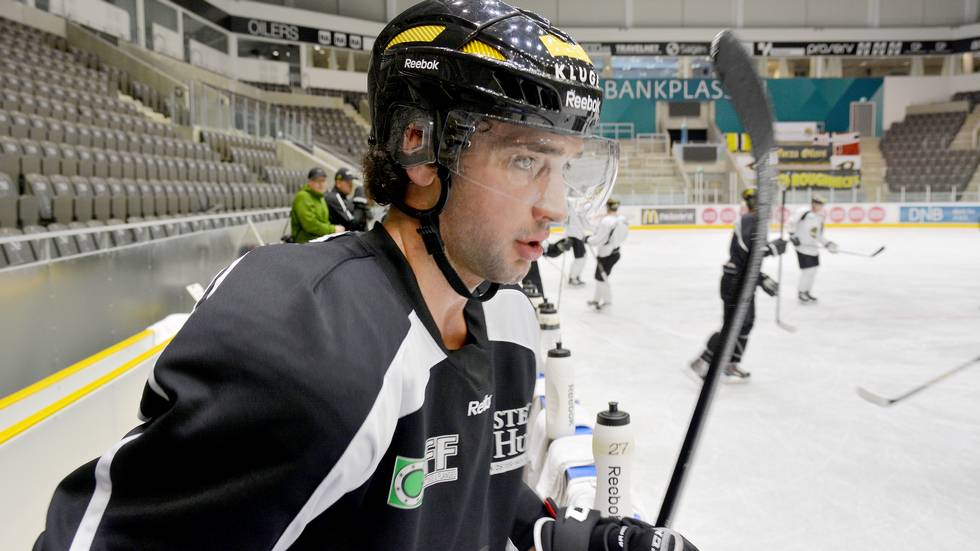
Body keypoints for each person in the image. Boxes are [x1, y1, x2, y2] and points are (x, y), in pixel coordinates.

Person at [34, 2, 696, 551]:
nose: (554, 205)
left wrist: (563, 535)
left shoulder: (509, 318)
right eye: (527, 161)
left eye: (565, 167)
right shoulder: (308, 338)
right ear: (419, 146)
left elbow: (469, 493)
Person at [689, 188, 786, 383]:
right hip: (735, 282)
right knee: (734, 325)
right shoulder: (751, 220)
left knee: (745, 324)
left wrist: (760, 278)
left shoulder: (756, 221)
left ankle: (730, 364)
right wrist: (772, 248)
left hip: (743, 280)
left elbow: (749, 260)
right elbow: (751, 251)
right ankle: (702, 361)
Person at [789, 194, 838, 304]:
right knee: (808, 271)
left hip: (813, 248)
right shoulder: (803, 212)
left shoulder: (820, 217)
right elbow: (791, 222)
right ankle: (801, 293)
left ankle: (807, 292)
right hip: (802, 247)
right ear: (813, 203)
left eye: (821, 204)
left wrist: (828, 243)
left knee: (813, 270)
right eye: (817, 203)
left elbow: (818, 235)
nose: (819, 206)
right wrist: (793, 236)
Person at [586, 198, 629, 311]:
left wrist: (587, 239)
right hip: (615, 252)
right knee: (601, 277)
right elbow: (623, 236)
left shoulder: (606, 221)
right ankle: (597, 299)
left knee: (602, 277)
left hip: (605, 254)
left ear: (607, 207)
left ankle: (607, 301)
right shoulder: (622, 219)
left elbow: (599, 239)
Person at [289, 167, 345, 243]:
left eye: (323, 181)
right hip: (305, 242)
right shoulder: (303, 196)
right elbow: (310, 225)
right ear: (309, 182)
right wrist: (332, 229)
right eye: (317, 181)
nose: (321, 184)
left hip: (319, 240)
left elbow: (325, 221)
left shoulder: (320, 197)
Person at [325, 167, 370, 232]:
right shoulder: (334, 196)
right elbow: (353, 224)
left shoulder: (341, 198)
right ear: (338, 183)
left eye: (351, 182)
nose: (351, 185)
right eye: (348, 182)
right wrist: (360, 203)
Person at [565, 210, 588, 286]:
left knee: (584, 256)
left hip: (578, 236)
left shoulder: (577, 210)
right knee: (580, 258)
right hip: (575, 236)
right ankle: (572, 278)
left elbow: (583, 223)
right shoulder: (572, 208)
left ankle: (575, 276)